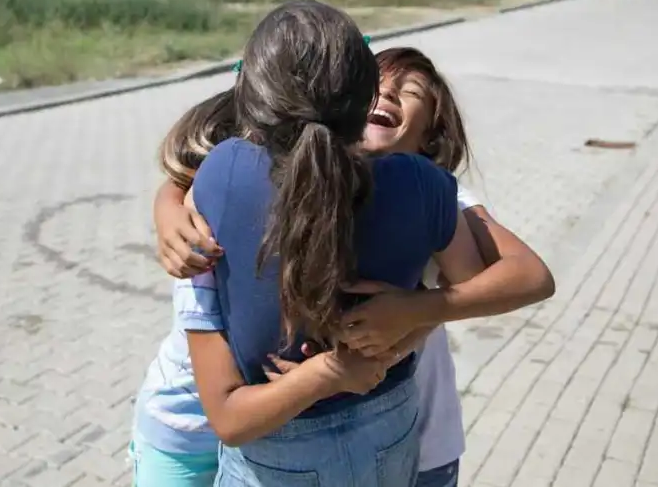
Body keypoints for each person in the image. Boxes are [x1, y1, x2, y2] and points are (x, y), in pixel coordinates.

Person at [135, 30, 553, 485]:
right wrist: (167, 206)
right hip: (200, 419)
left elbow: (528, 276)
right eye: (378, 81)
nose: (387, 91)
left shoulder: (434, 193)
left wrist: (420, 309)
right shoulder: (280, 178)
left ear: (431, 140)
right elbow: (199, 170)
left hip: (404, 431)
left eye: (409, 92)